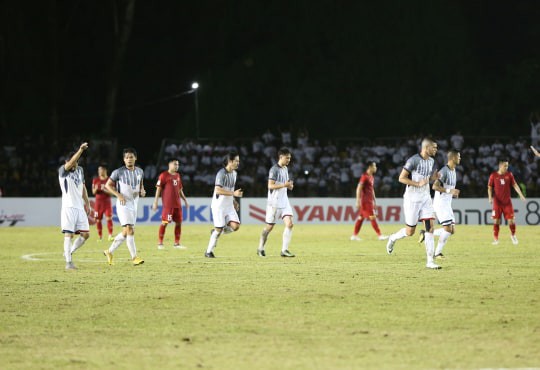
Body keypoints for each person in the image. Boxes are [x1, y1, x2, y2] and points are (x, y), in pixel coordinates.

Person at [385, 138, 441, 269]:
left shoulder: (432, 161)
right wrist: (417, 184)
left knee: (430, 227)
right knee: (410, 232)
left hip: (426, 197)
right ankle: (393, 238)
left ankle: (430, 261)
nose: (436, 150)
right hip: (412, 199)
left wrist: (433, 178)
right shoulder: (413, 160)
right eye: (434, 147)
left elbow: (425, 179)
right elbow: (401, 178)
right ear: (426, 147)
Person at [103, 147, 146, 266]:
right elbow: (107, 185)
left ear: (135, 158)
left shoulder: (140, 171)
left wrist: (142, 190)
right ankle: (134, 257)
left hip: (134, 203)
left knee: (126, 232)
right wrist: (118, 195)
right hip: (123, 203)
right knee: (130, 229)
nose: (129, 159)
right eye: (126, 158)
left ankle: (109, 251)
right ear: (124, 159)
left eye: (131, 157)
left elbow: (141, 184)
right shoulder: (118, 172)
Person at [419, 149, 461, 259]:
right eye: (458, 157)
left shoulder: (453, 170)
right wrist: (449, 191)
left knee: (452, 230)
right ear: (453, 158)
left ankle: (425, 233)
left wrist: (452, 192)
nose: (460, 158)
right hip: (441, 204)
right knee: (447, 229)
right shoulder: (444, 171)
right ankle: (437, 253)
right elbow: (435, 186)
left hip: (447, 204)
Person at [257, 147, 296, 257]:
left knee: (290, 224)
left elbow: (285, 183)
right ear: (281, 157)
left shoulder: (285, 169)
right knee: (269, 227)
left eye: (290, 158)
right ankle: (260, 247)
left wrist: (289, 186)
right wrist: (284, 185)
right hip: (274, 203)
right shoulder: (274, 169)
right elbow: (270, 185)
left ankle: (284, 250)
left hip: (284, 201)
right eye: (287, 158)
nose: (289, 160)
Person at [58, 142, 91, 270]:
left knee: (86, 235)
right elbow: (71, 162)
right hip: (68, 207)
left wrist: (87, 203)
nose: (74, 164)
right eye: (72, 161)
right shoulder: (63, 171)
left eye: (76, 162)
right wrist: (81, 150)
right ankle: (68, 263)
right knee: (69, 234)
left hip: (79, 208)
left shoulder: (80, 170)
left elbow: (83, 187)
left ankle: (69, 252)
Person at [205, 151, 243, 258]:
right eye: (236, 161)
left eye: (238, 161)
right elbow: (218, 190)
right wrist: (233, 193)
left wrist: (234, 200)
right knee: (219, 229)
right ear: (230, 161)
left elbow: (230, 189)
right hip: (219, 206)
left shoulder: (234, 174)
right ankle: (208, 252)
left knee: (235, 226)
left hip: (229, 205)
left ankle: (216, 232)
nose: (238, 163)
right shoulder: (221, 174)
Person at [152, 158, 189, 249]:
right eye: (175, 164)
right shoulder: (163, 175)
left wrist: (185, 200)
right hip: (168, 206)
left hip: (178, 205)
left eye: (178, 164)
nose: (177, 166)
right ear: (169, 165)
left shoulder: (178, 176)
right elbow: (158, 189)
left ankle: (177, 243)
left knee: (179, 223)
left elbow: (180, 190)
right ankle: (160, 243)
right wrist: (155, 202)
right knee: (164, 223)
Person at [487, 158, 526, 245]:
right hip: (497, 202)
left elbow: (515, 185)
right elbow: (489, 187)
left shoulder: (509, 175)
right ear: (500, 166)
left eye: (507, 166)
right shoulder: (493, 175)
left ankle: (513, 235)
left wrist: (521, 195)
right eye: (505, 166)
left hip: (507, 202)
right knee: (496, 221)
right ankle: (496, 239)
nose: (506, 167)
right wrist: (490, 198)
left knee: (511, 221)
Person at [350, 161, 388, 241]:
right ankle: (380, 235)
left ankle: (354, 235)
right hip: (365, 202)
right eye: (374, 166)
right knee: (372, 217)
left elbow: (371, 189)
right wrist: (357, 201)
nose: (376, 168)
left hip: (369, 201)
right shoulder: (364, 177)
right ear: (370, 167)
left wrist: (374, 200)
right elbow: (358, 188)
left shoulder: (371, 177)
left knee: (360, 218)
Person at [91, 164, 114, 241]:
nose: (100, 171)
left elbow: (112, 193)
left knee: (109, 218)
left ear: (105, 170)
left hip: (107, 203)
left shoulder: (110, 180)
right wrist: (96, 189)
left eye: (101, 170)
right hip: (98, 203)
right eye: (99, 170)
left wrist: (105, 190)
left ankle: (110, 235)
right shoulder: (95, 180)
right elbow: (93, 192)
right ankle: (100, 237)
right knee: (97, 220)